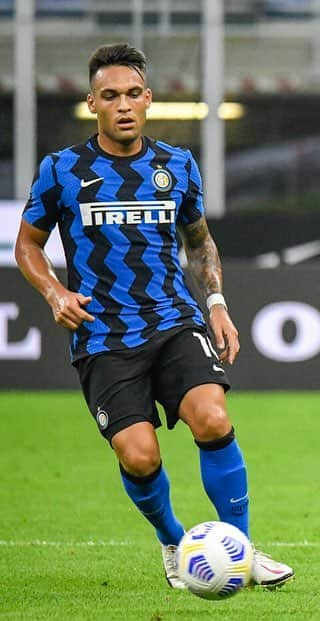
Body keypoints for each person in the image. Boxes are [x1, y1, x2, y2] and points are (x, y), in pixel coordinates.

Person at [14, 43, 294, 589]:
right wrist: (53, 293)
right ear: (92, 102)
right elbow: (28, 245)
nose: (124, 105)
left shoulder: (176, 165)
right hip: (103, 335)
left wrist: (215, 304)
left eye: (134, 94)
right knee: (139, 456)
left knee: (212, 417)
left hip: (173, 319)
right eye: (110, 95)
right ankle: (174, 541)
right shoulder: (62, 170)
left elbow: (200, 242)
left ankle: (239, 548)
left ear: (149, 100)